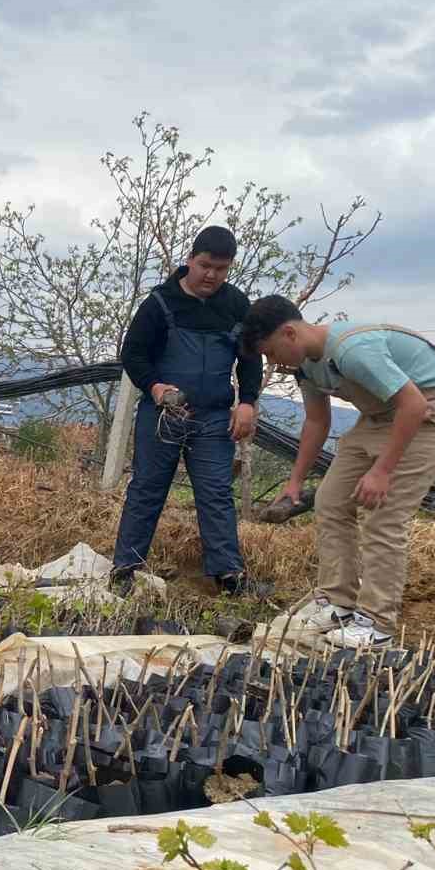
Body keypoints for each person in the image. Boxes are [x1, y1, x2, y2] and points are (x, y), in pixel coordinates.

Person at [239, 296, 435, 647]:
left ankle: (376, 626)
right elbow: (317, 420)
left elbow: (414, 405)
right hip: (378, 416)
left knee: (383, 515)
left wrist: (382, 471)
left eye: (270, 352)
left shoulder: (352, 350)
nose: (272, 362)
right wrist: (296, 480)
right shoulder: (306, 365)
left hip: (427, 411)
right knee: (330, 501)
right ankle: (338, 602)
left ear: (289, 333)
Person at [109, 226, 262, 595]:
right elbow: (133, 354)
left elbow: (250, 357)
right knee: (147, 488)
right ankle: (125, 570)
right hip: (163, 415)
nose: (211, 275)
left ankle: (228, 577)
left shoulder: (237, 305)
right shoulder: (160, 302)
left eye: (221, 268)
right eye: (205, 265)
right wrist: (156, 387)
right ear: (190, 259)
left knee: (215, 494)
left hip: (213, 416)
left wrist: (246, 402)